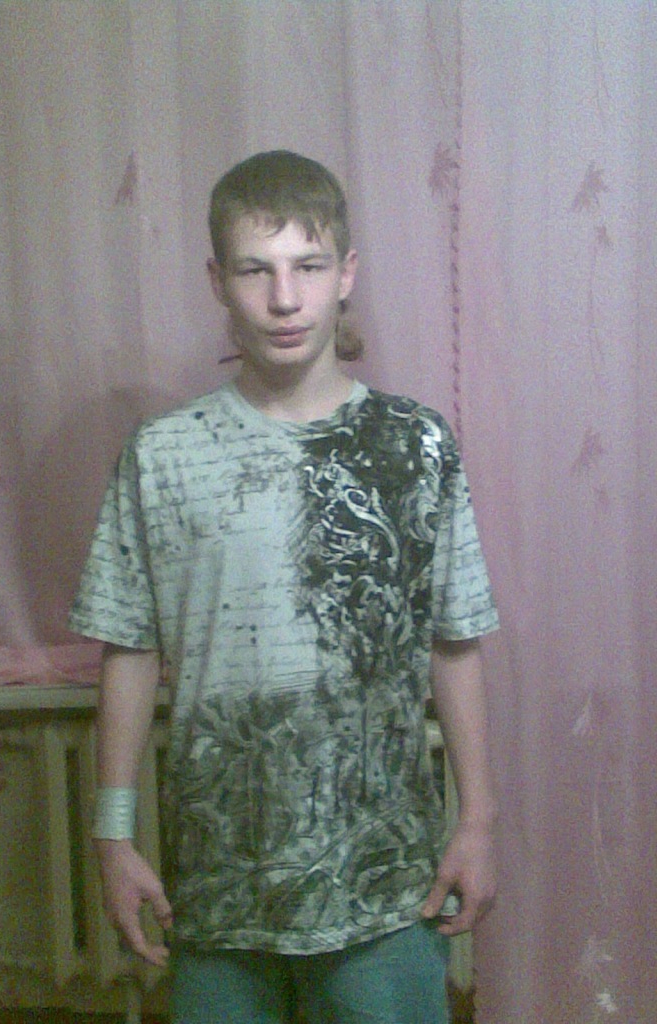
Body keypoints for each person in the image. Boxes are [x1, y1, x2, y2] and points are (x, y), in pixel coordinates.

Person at [69, 150, 499, 1024]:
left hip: (387, 893)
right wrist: (113, 834)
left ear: (346, 274)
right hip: (220, 893)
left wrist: (478, 822)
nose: (285, 298)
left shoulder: (417, 445)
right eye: (255, 270)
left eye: (308, 266)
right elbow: (130, 652)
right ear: (217, 283)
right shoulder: (162, 455)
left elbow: (455, 641)